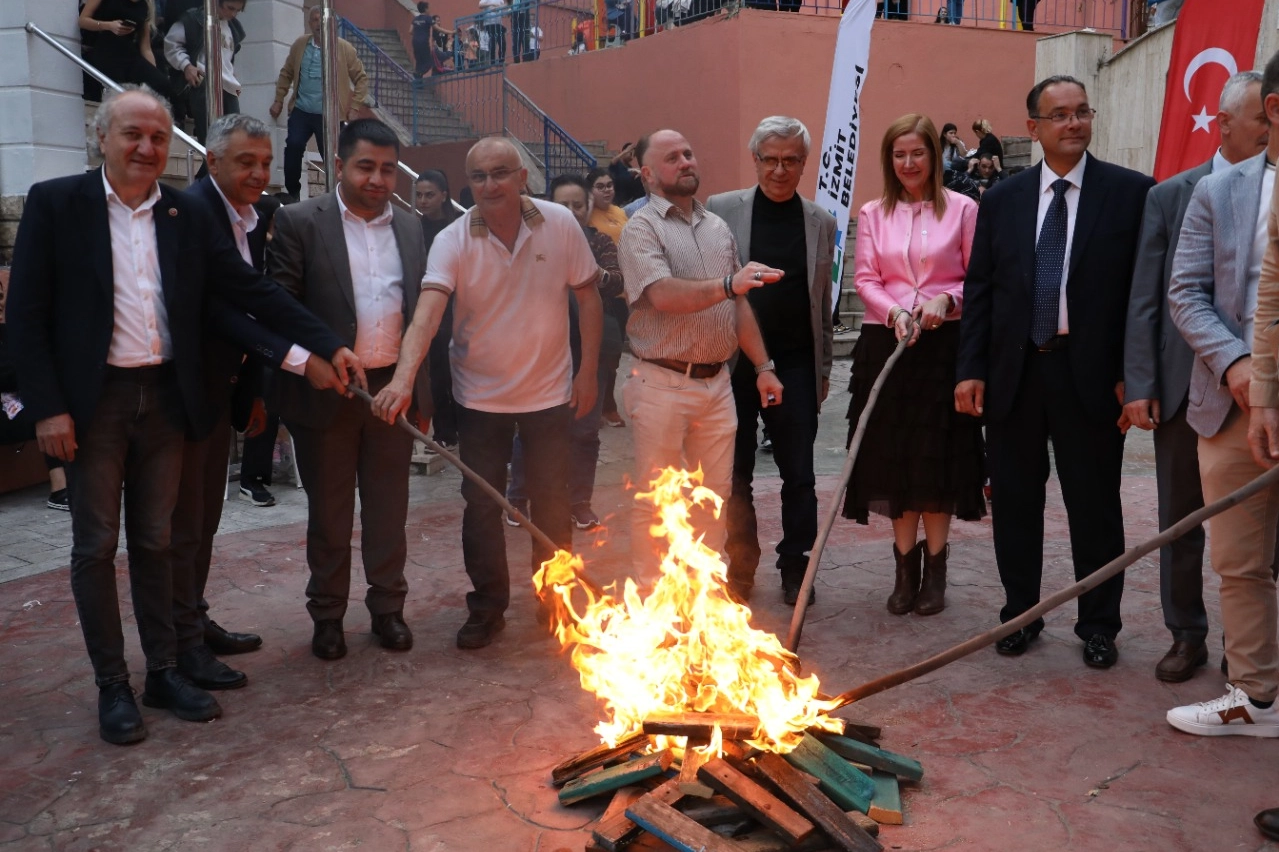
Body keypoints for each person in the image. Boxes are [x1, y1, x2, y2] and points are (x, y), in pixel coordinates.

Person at [6, 86, 358, 745]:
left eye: (158, 138)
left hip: (166, 401)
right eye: (132, 134)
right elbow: (24, 318)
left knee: (157, 541)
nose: (146, 147)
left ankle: (162, 672)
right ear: (102, 139)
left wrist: (327, 343)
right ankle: (113, 686)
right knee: (94, 545)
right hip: (93, 406)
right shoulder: (57, 204)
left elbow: (245, 290)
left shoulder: (181, 213)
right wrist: (47, 409)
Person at [369, 137, 603, 651]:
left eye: (501, 173)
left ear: (523, 177)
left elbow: (587, 297)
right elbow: (427, 314)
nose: (490, 185)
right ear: (468, 184)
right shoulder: (453, 239)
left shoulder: (559, 224)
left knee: (551, 501)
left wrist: (588, 375)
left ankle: (556, 601)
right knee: (480, 505)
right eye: (479, 177)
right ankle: (488, 607)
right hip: (478, 397)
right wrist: (403, 380)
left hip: (548, 393)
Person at [955, 75, 1154, 667]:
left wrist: (1132, 374)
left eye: (1082, 113)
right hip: (1015, 373)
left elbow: (1140, 296)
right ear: (1034, 128)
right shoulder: (1003, 200)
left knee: (1094, 505)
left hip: (1091, 376)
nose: (1074, 123)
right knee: (1015, 502)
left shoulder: (1129, 194)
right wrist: (971, 369)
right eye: (1059, 115)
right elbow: (982, 290)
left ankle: (1099, 625)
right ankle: (1020, 615)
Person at [171, 114, 342, 690]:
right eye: (246, 162)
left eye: (266, 163)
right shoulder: (192, 213)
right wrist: (307, 355)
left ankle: (192, 619)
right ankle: (181, 645)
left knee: (206, 521)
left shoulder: (250, 217)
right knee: (184, 525)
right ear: (212, 160)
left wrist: (262, 385)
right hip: (183, 393)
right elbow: (227, 308)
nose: (259, 173)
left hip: (223, 391)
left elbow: (258, 298)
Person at [266, 119, 433, 662]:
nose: (378, 179)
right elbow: (279, 306)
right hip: (328, 392)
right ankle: (328, 615)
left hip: (391, 391)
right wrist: (310, 362)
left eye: (388, 169)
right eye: (366, 166)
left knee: (389, 509)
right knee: (331, 513)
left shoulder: (411, 228)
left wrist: (416, 388)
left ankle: (388, 609)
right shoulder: (298, 223)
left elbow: (422, 315)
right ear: (338, 166)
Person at [1123, 71, 1267, 683]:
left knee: (1261, 533)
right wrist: (1141, 384)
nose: (1269, 131)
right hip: (1188, 390)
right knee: (1181, 520)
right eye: (1262, 119)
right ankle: (1186, 634)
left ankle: (1252, 652)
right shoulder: (1176, 194)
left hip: (1267, 397)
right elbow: (1152, 298)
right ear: (1227, 122)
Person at [1165, 52, 1279, 738]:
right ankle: (1254, 697)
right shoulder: (1221, 191)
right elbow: (1186, 293)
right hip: (1233, 406)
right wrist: (1238, 368)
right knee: (1237, 561)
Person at [617, 129, 785, 573]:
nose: (686, 162)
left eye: (689, 152)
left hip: (717, 384)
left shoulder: (717, 227)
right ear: (648, 175)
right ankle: (655, 609)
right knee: (658, 499)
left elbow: (738, 302)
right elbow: (663, 295)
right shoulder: (640, 229)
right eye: (673, 157)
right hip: (661, 383)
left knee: (715, 497)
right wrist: (729, 284)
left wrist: (763, 366)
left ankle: (703, 600)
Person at [842, 114, 985, 616]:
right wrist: (896, 311)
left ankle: (936, 572)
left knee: (936, 460)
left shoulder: (964, 209)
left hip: (945, 349)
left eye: (917, 153)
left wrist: (948, 299)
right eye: (899, 155)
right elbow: (865, 279)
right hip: (888, 344)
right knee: (896, 458)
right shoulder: (874, 213)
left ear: (934, 156)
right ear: (890, 159)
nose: (908, 163)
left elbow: (976, 279)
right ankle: (905, 568)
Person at [706, 117, 836, 605]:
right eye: (770, 159)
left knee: (798, 473)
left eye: (790, 160)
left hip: (797, 362)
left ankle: (795, 564)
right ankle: (741, 563)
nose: (780, 170)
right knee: (734, 471)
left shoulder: (820, 220)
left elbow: (822, 299)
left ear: (803, 163)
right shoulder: (721, 210)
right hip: (734, 363)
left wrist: (823, 369)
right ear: (755, 159)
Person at [508, 173, 622, 531]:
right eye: (562, 205)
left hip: (592, 350)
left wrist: (589, 270)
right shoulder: (529, 243)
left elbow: (618, 280)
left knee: (585, 431)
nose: (570, 212)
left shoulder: (599, 242)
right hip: (541, 350)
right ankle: (517, 498)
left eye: (577, 205)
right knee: (531, 427)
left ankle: (579, 501)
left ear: (589, 208)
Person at [269, 6, 370, 200]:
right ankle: (293, 194)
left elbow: (361, 79)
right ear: (310, 23)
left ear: (331, 24)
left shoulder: (344, 48)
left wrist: (355, 107)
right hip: (302, 110)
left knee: (333, 160)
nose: (318, 24)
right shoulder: (300, 45)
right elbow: (286, 73)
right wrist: (279, 100)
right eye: (314, 20)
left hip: (330, 115)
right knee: (293, 146)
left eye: (322, 20)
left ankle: (338, 198)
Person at [0, 272, 67, 510]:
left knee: (53, 405)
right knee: (43, 408)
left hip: (21, 399)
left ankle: (66, 486)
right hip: (7, 406)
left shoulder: (14, 328)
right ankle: (60, 487)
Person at [414, 171, 462, 449]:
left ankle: (463, 426)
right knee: (437, 374)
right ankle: (444, 432)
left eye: (429, 194)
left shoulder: (458, 228)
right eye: (419, 195)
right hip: (431, 311)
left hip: (460, 308)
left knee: (460, 372)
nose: (423, 200)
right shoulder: (414, 228)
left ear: (444, 194)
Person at [162, 0, 244, 143]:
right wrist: (186, 66)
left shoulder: (234, 28)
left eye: (238, 11)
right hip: (204, 81)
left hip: (228, 87)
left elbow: (227, 57)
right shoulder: (194, 18)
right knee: (212, 140)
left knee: (232, 140)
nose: (233, 14)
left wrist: (231, 73)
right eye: (230, 8)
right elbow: (171, 44)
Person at [79, 0, 173, 99]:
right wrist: (108, 26)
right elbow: (82, 21)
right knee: (118, 91)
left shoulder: (145, 4)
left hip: (129, 54)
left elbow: (145, 47)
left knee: (162, 84)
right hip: (106, 50)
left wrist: (154, 72)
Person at [588, 167, 629, 244]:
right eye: (600, 187)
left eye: (609, 185)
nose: (606, 190)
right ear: (590, 190)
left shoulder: (620, 211)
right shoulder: (587, 215)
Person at [609, 142, 646, 207]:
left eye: (633, 155)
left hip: (629, 199)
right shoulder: (617, 164)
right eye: (630, 153)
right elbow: (612, 162)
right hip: (618, 199)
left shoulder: (630, 167)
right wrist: (627, 151)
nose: (632, 157)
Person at [411, 2, 434, 79]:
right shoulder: (428, 18)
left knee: (419, 62)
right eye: (429, 8)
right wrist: (451, 32)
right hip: (424, 42)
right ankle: (419, 73)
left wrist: (417, 34)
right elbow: (437, 28)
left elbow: (410, 31)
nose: (430, 10)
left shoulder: (415, 19)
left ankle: (418, 83)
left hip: (415, 41)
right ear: (426, 9)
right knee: (429, 62)